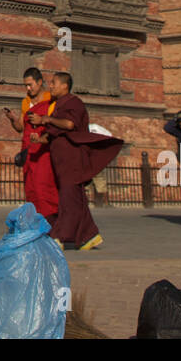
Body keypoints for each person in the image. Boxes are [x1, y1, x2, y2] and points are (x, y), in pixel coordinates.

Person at [31, 72, 122, 250]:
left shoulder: (74, 102)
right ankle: (89, 236)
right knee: (76, 197)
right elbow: (54, 133)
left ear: (65, 86)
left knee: (68, 199)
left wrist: (45, 119)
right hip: (62, 161)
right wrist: (39, 139)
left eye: (54, 83)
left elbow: (69, 125)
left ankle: (60, 236)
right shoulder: (59, 105)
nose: (51, 86)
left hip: (72, 159)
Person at [3, 68, 59, 223]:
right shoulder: (25, 101)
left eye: (30, 85)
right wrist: (13, 119)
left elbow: (55, 122)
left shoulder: (51, 99)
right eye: (25, 86)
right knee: (31, 188)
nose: (28, 89)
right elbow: (21, 127)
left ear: (39, 82)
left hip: (44, 149)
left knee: (44, 187)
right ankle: (35, 222)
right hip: (28, 149)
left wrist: (42, 120)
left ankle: (51, 222)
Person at [87, 121, 114, 207]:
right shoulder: (97, 132)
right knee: (101, 182)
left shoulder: (88, 130)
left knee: (96, 181)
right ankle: (105, 203)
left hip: (89, 161)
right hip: (94, 161)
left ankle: (102, 202)